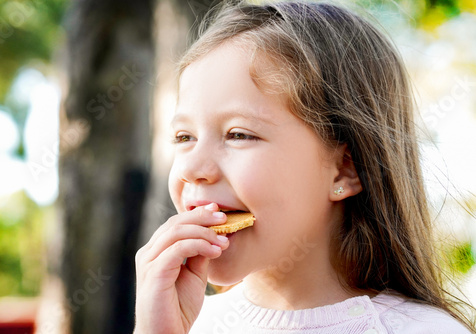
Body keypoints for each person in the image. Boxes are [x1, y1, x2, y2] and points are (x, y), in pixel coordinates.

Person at [134, 1, 475, 333]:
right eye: (183, 137)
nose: (192, 167)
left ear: (344, 170)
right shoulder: (188, 324)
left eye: (238, 134)